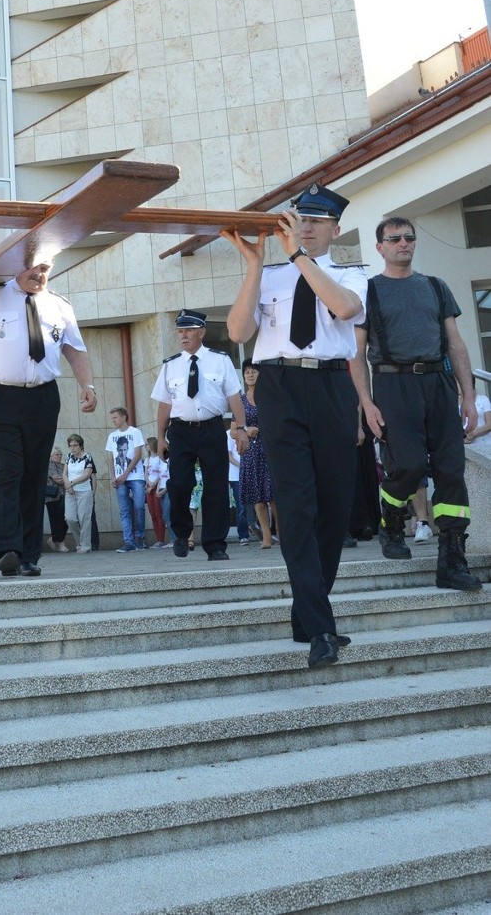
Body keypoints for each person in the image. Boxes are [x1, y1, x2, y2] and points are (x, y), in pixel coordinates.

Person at [225, 184, 366, 669]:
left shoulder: (351, 273)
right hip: (280, 386)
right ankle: (321, 628)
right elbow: (240, 332)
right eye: (298, 220)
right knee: (297, 506)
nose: (304, 228)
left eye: (314, 222)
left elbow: (345, 310)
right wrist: (253, 267)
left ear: (334, 229)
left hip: (330, 387)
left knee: (333, 506)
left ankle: (306, 614)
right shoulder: (271, 275)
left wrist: (300, 257)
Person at [349, 216, 482, 592]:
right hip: (393, 383)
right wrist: (366, 403)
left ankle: (453, 559)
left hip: (437, 383)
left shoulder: (436, 288)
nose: (403, 244)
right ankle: (392, 518)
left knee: (451, 470)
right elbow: (355, 354)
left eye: (408, 238)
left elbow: (455, 343)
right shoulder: (368, 291)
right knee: (406, 464)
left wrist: (468, 395)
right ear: (380, 248)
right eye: (394, 239)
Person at [0, 260, 97, 577]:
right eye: (32, 268)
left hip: (42, 396)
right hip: (0, 395)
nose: (39, 274)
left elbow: (75, 349)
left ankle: (28, 556)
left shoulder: (60, 306)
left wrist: (88, 385)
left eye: (45, 268)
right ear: (16, 267)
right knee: (6, 471)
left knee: (34, 474)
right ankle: (7, 549)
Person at [151, 311, 249, 561]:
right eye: (180, 331)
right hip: (181, 430)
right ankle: (182, 534)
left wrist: (240, 429)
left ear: (202, 332)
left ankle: (215, 545)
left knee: (216, 487)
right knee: (180, 484)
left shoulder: (220, 360)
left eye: (188, 330)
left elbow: (234, 396)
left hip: (212, 428)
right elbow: (164, 404)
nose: (183, 335)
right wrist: (161, 437)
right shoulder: (170, 365)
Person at [238, 359, 278, 549]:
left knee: (274, 496)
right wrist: (245, 430)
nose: (250, 374)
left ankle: (283, 533)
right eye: (247, 372)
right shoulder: (240, 400)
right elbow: (233, 429)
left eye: (254, 371)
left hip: (270, 448)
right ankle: (266, 537)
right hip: (251, 452)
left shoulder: (270, 395)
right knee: (258, 498)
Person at [106, 408, 147, 553]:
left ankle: (140, 537)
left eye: (115, 417)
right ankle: (129, 541)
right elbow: (110, 458)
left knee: (139, 506)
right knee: (124, 510)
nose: (113, 420)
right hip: (119, 479)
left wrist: (125, 474)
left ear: (124, 417)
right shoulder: (112, 436)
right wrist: (112, 476)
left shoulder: (135, 432)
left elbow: (137, 455)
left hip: (136, 476)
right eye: (112, 418)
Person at [64, 434, 94, 552]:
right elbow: (64, 473)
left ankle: (86, 546)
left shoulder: (87, 457)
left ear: (81, 446)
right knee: (69, 518)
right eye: (70, 445)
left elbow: (87, 475)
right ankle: (79, 542)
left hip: (84, 491)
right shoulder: (69, 457)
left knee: (84, 518)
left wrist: (71, 483)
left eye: (75, 445)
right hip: (70, 492)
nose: (72, 448)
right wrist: (68, 484)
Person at [144, 436, 168, 547]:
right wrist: (148, 483)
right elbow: (146, 474)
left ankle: (161, 539)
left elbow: (161, 473)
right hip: (149, 488)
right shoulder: (147, 460)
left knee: (159, 513)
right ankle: (157, 537)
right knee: (152, 513)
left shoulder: (159, 458)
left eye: (147, 444)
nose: (145, 446)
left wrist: (153, 485)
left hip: (157, 487)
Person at [45, 447, 69, 552]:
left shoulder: (64, 466)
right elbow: (59, 479)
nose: (59, 456)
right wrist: (68, 480)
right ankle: (60, 543)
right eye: (57, 454)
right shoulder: (48, 465)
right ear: (51, 456)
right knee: (55, 520)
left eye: (60, 454)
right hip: (51, 497)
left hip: (64, 495)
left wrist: (68, 480)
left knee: (67, 518)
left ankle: (53, 539)